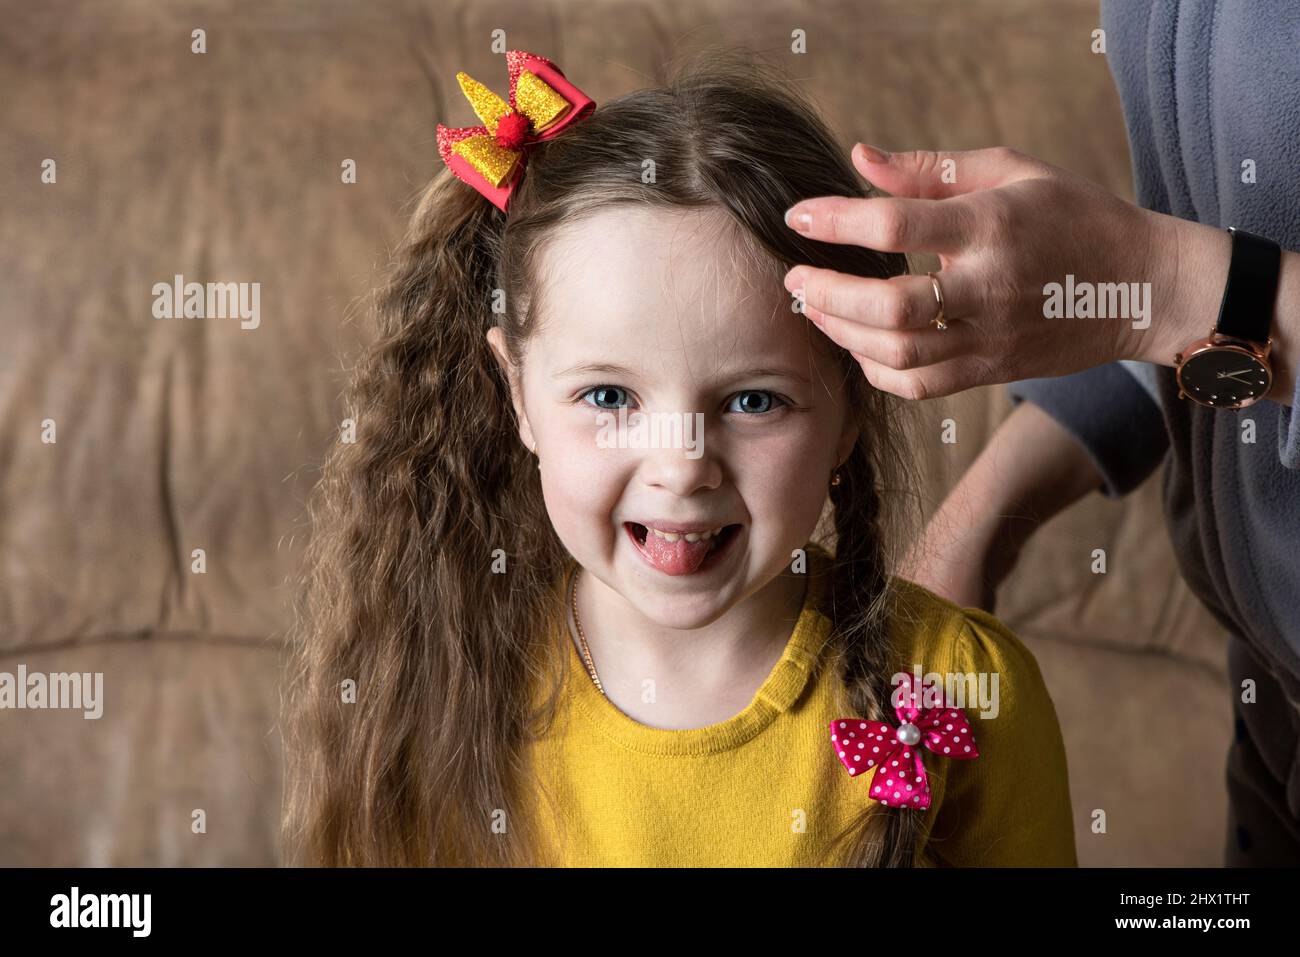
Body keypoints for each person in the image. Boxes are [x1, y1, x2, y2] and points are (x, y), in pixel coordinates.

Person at [281, 48, 1077, 867]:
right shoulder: (452, 682)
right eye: (609, 397)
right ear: (518, 397)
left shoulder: (963, 687)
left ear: (849, 412)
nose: (683, 464)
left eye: (753, 400)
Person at [779, 1, 1300, 865]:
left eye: (754, 401)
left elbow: (1186, 279)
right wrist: (982, 514)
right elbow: (1215, 241)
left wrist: (1156, 279)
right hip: (1271, 713)